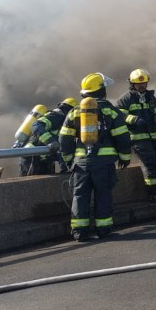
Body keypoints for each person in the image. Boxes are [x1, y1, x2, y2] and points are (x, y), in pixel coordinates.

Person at [59, 73, 132, 242]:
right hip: (104, 163)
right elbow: (122, 137)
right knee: (103, 194)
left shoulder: (75, 112)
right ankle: (104, 229)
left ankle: (79, 232)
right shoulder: (112, 112)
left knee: (80, 196)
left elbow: (65, 139)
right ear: (102, 90)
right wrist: (125, 157)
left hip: (81, 163)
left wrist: (69, 159)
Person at [116, 68, 156, 203]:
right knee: (150, 164)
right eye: (138, 84)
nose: (141, 86)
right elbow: (118, 115)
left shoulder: (150, 96)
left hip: (155, 136)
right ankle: (155, 194)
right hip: (139, 138)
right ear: (132, 84)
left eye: (144, 83)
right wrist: (133, 119)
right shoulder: (125, 99)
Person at [19, 98, 78, 176]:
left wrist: (66, 168)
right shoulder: (56, 116)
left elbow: (61, 146)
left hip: (45, 157)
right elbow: (36, 125)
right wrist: (50, 141)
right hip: (33, 156)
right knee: (29, 185)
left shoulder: (64, 121)